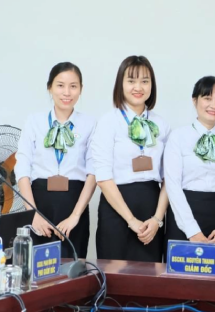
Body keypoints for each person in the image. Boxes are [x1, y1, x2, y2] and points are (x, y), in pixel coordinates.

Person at [91, 56, 171, 262]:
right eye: (131, 80)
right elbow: (103, 177)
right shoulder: (108, 122)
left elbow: (169, 178)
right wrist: (131, 220)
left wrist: (156, 220)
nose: (139, 87)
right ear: (121, 84)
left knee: (149, 282)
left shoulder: (161, 125)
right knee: (114, 281)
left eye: (145, 81)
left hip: (152, 208)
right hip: (116, 208)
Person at [14, 62, 96, 258]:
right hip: (38, 204)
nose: (67, 92)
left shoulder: (90, 124)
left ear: (81, 89)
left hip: (74, 204)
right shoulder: (34, 121)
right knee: (36, 271)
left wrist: (75, 217)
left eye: (73, 86)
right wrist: (32, 214)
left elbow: (93, 172)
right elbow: (22, 168)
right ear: (49, 87)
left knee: (72, 272)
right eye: (60, 85)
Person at [163, 76, 215, 252]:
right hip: (183, 217)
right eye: (207, 98)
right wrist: (192, 230)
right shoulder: (178, 137)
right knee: (180, 279)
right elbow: (172, 186)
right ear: (194, 100)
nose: (214, 105)